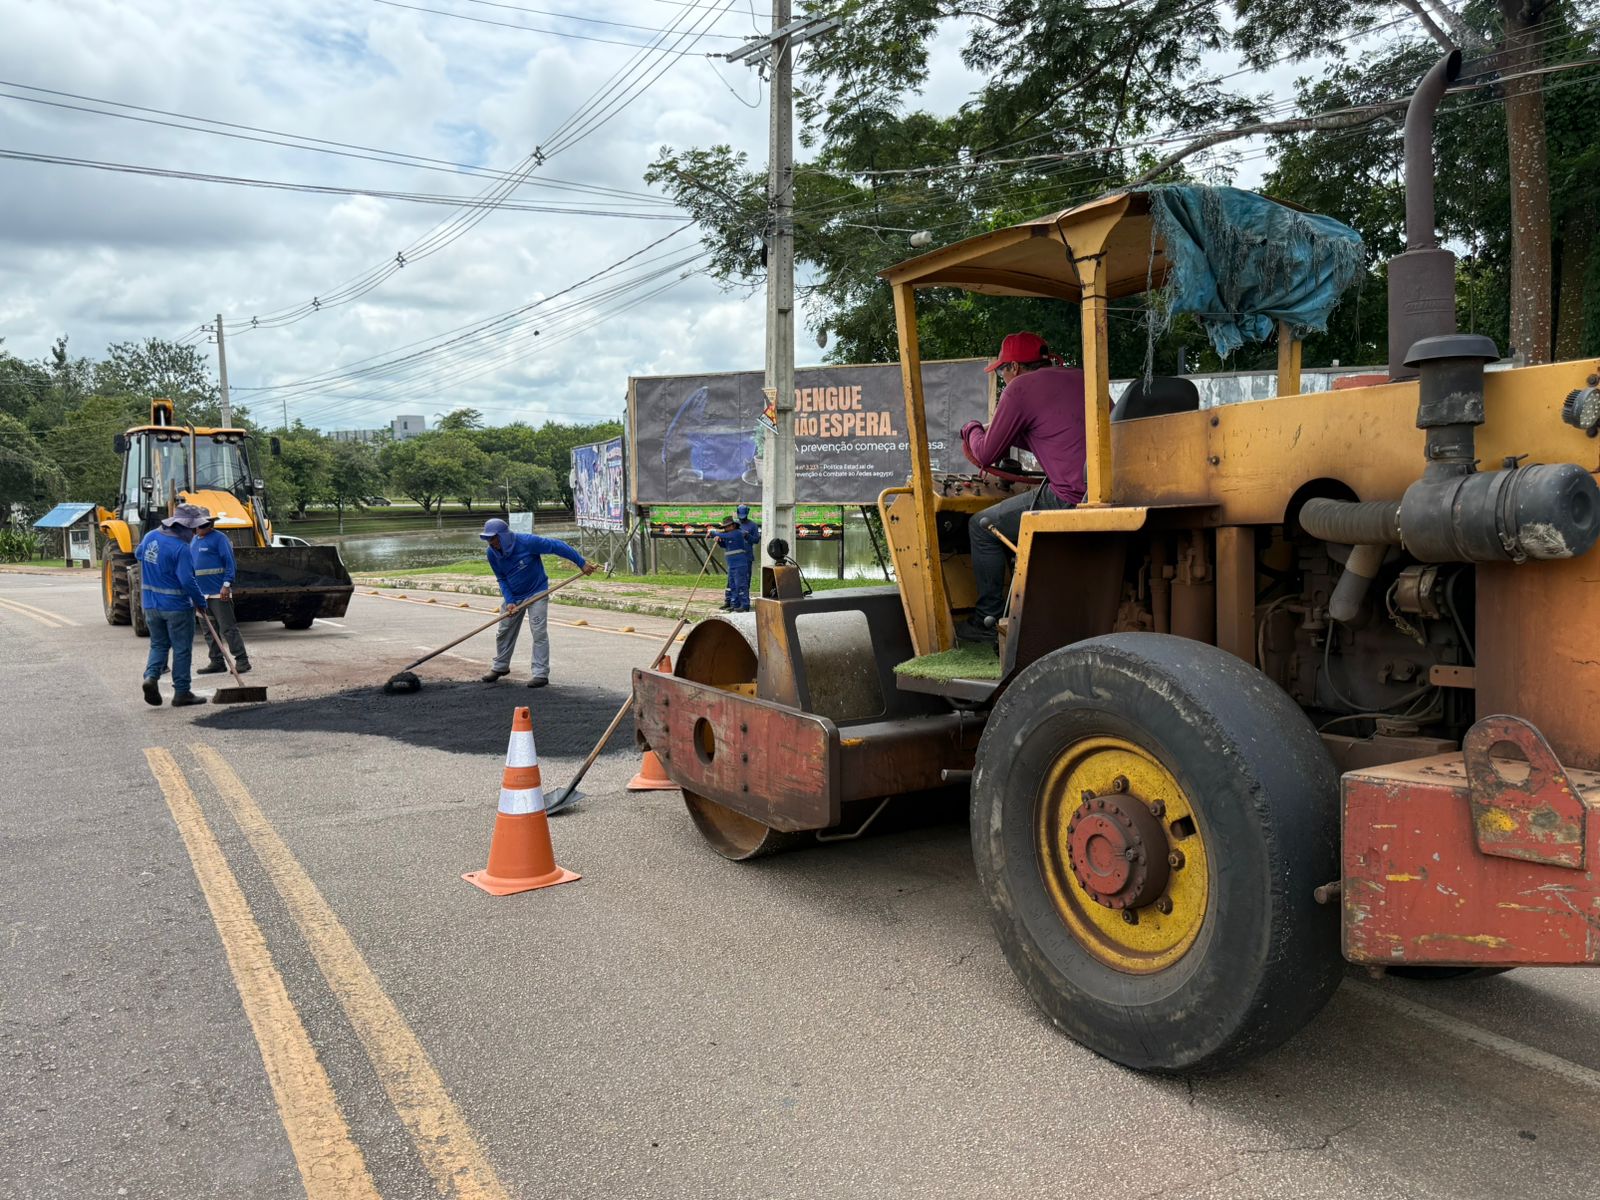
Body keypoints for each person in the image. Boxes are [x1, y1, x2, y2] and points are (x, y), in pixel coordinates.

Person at [957, 331, 1087, 644]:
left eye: (1002, 371)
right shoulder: (1080, 377)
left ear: (1014, 367)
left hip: (1069, 496)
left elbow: (986, 453)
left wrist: (971, 428)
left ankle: (987, 621)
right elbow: (1056, 434)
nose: (1002, 378)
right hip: (1104, 492)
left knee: (982, 526)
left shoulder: (1020, 390)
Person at [478, 517, 596, 688]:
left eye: (494, 538)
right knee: (504, 630)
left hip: (537, 592)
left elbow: (557, 546)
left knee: (538, 632)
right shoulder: (491, 554)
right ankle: (500, 666)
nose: (491, 542)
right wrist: (510, 601)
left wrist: (581, 563)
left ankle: (540, 673)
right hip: (514, 596)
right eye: (488, 539)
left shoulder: (528, 542)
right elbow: (501, 578)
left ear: (504, 536)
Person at [135, 504, 212, 707]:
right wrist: (201, 602)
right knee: (181, 649)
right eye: (193, 528)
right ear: (184, 527)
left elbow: (138, 554)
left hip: (150, 604)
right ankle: (182, 692)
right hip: (176, 606)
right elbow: (187, 580)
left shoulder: (151, 536)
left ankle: (151, 677)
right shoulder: (181, 548)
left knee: (158, 644)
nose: (195, 532)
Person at [190, 514, 250, 676]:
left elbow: (230, 563)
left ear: (209, 524)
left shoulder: (219, 539)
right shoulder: (194, 541)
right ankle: (217, 661)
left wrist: (226, 585)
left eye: (202, 525)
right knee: (209, 631)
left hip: (218, 592)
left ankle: (242, 660)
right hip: (201, 594)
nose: (198, 528)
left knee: (228, 628)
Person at [712, 516, 752, 612]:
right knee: (733, 585)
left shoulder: (737, 533)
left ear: (733, 525)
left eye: (728, 526)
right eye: (725, 527)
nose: (726, 529)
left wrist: (713, 533)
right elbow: (725, 545)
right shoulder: (729, 535)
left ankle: (745, 604)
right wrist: (719, 541)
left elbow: (722, 535)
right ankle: (735, 604)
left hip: (740, 564)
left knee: (741, 584)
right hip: (731, 564)